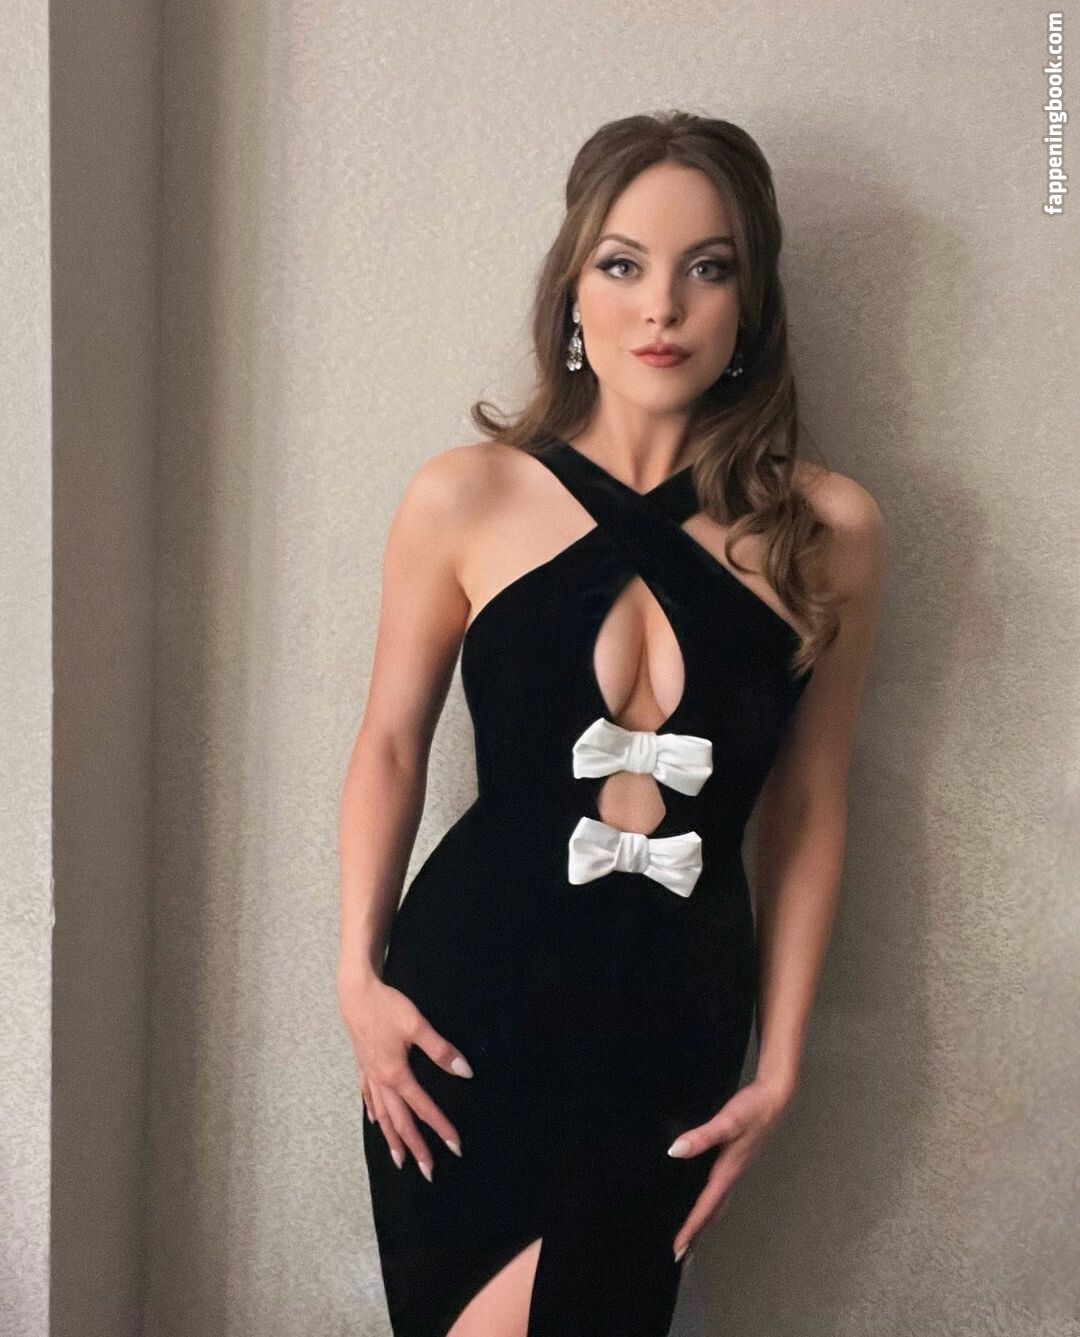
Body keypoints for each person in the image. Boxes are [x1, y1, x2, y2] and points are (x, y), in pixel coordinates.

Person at [336, 110, 885, 1337]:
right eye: (624, 263)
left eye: (710, 267)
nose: (663, 306)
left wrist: (782, 1059)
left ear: (752, 301)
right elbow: (389, 745)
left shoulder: (828, 531)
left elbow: (808, 803)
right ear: (573, 290)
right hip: (465, 1008)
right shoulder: (465, 495)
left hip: (673, 1028)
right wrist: (357, 980)